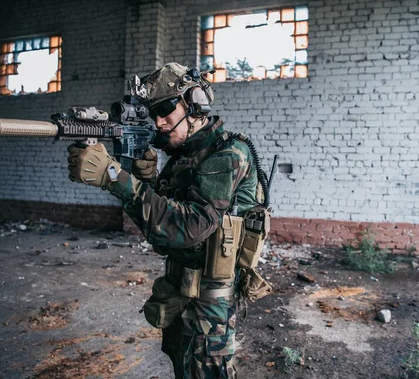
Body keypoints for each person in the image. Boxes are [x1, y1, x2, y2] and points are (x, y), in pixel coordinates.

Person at [66, 62, 269, 378]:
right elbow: (161, 223)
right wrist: (144, 181)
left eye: (165, 111)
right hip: (178, 287)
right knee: (181, 365)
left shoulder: (228, 154)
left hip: (210, 298)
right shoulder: (185, 157)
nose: (159, 122)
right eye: (153, 113)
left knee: (206, 371)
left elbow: (188, 229)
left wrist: (113, 177)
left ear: (196, 103)